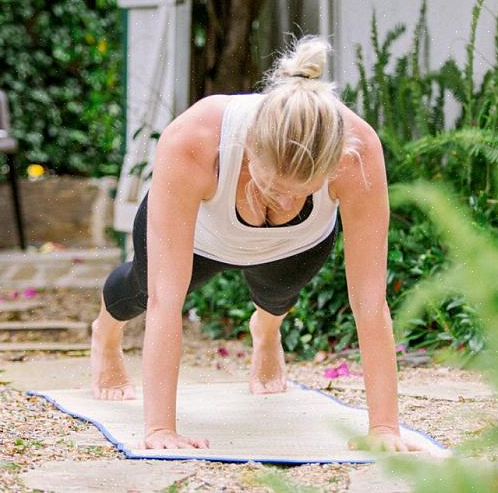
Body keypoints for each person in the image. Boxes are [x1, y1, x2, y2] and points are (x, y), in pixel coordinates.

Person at [89, 36, 431, 453]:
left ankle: (266, 332)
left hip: (296, 243)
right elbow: (166, 301)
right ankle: (105, 335)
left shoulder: (356, 153)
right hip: (203, 235)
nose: (286, 202)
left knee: (278, 296)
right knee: (140, 292)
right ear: (249, 148)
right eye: (273, 188)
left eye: (301, 192)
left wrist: (384, 429)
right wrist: (161, 429)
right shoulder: (196, 139)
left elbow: (370, 302)